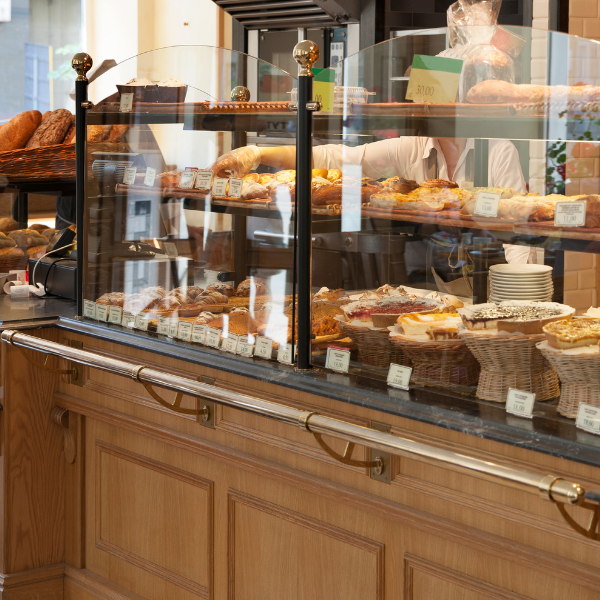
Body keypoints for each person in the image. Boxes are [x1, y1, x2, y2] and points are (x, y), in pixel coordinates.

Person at [209, 137, 532, 263]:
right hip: (442, 272)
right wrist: (259, 152)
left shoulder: (497, 151)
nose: (420, 110)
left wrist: (523, 291)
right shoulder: (414, 147)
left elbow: (518, 227)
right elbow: (338, 158)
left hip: (496, 273)